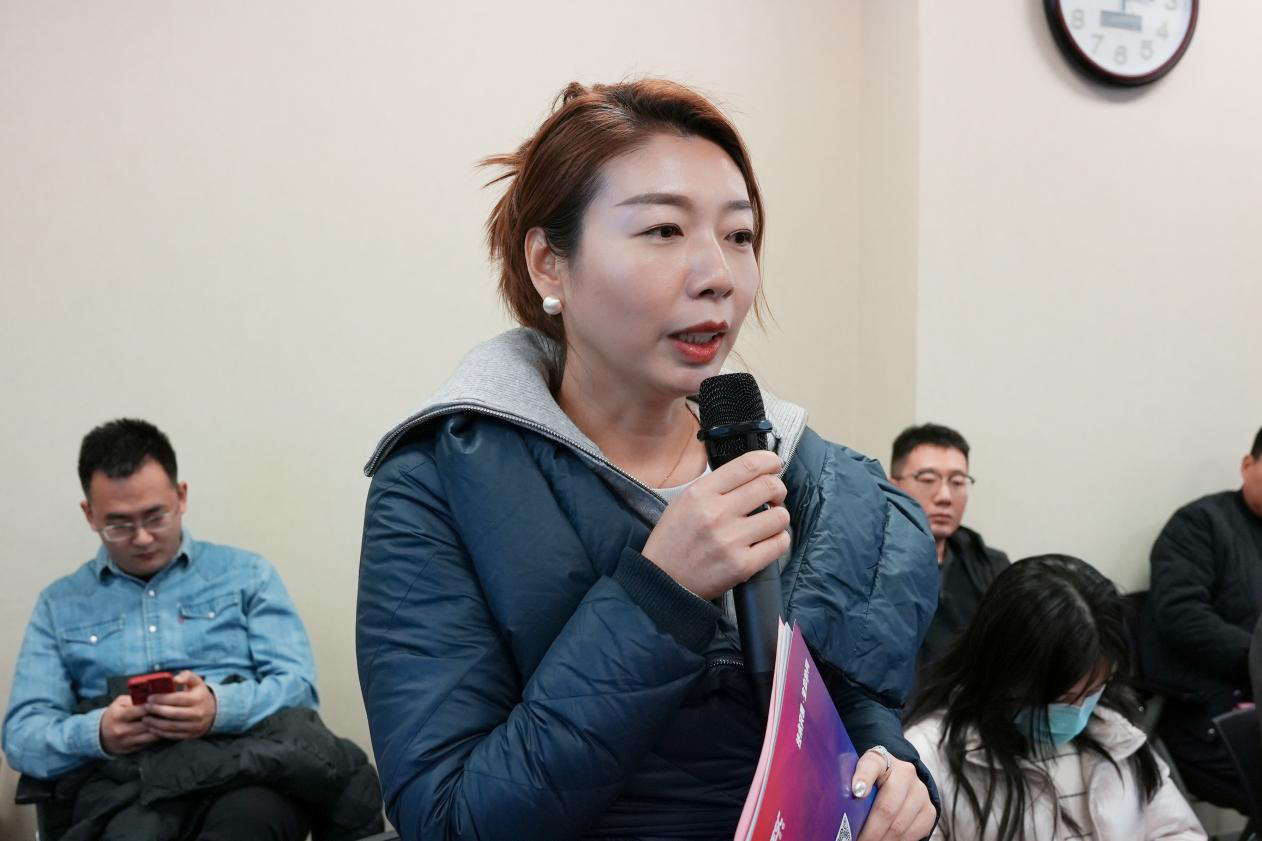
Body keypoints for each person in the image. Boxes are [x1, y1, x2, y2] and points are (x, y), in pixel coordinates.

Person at [356, 79, 940, 841]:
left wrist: (889, 771)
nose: (718, 275)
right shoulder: (439, 481)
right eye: (664, 230)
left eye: (739, 235)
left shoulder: (799, 468)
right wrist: (662, 592)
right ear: (549, 264)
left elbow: (849, 705)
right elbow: (450, 818)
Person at [3, 419, 381, 841]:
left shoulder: (246, 575)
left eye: (155, 516)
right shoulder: (60, 605)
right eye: (119, 524)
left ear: (181, 497)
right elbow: (22, 738)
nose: (142, 538)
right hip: (126, 787)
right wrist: (100, 734)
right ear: (89, 515)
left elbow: (297, 689)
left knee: (249, 821)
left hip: (243, 771)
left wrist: (219, 708)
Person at [905, 555, 1205, 841]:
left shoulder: (1114, 731)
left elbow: (1178, 831)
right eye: (1062, 698)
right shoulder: (928, 758)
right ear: (1005, 673)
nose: (1078, 710)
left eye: (1093, 691)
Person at [1141, 425, 1262, 813]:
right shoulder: (1201, 524)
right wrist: (1257, 659)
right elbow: (1181, 615)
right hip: (1209, 714)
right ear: (1247, 464)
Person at [889, 423, 1009, 681]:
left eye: (957, 482)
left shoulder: (990, 567)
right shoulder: (865, 566)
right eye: (927, 480)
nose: (945, 496)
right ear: (893, 487)